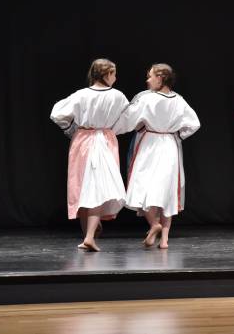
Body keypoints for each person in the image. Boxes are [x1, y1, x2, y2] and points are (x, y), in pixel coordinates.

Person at [115, 63, 200, 249]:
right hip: (169, 144)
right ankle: (165, 239)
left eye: (150, 76)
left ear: (160, 78)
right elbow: (194, 123)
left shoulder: (147, 99)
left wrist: (111, 129)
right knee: (166, 191)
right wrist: (177, 134)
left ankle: (154, 224)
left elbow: (128, 119)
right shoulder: (179, 100)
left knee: (142, 185)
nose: (147, 80)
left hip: (150, 144)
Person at [50, 59, 128, 251]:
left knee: (86, 186)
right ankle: (89, 236)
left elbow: (57, 113)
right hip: (103, 140)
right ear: (106, 74)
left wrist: (73, 129)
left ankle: (88, 234)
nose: (115, 77)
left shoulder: (81, 95)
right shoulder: (117, 96)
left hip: (83, 140)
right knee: (95, 187)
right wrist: (110, 129)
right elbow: (127, 118)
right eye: (114, 73)